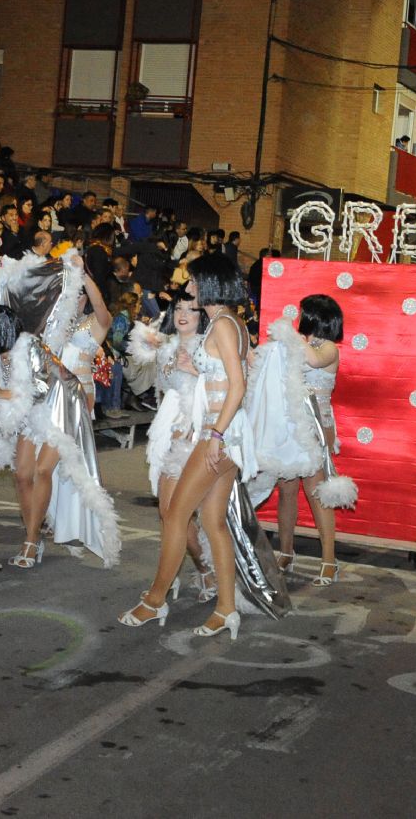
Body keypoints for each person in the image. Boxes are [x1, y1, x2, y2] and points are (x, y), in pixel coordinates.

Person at [121, 253, 255, 639]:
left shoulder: (225, 325)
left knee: (177, 516)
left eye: (195, 280)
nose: (190, 285)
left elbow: (238, 386)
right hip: (228, 434)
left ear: (210, 282)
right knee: (212, 524)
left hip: (219, 435)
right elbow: (226, 375)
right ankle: (227, 609)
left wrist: (214, 435)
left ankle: (155, 601)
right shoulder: (228, 323)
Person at [0, 251, 120, 570]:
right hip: (36, 399)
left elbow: (102, 311)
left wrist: (82, 275)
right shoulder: (45, 330)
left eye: (74, 295)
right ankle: (38, 526)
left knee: (43, 470)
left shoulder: (93, 326)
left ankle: (31, 541)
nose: (69, 299)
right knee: (22, 474)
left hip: (68, 401)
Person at [249, 294, 357, 587]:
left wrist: (288, 336)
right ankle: (286, 551)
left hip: (316, 426)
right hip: (292, 423)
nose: (299, 317)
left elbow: (311, 358)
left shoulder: (328, 348)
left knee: (316, 492)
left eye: (303, 313)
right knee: (286, 489)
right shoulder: (301, 343)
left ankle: (329, 561)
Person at [126, 292, 216, 599]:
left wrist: (197, 370)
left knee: (177, 513)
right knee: (169, 514)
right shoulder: (167, 347)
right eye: (178, 308)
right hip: (165, 431)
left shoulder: (208, 347)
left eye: (191, 309)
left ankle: (201, 571)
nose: (183, 314)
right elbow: (151, 377)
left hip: (193, 433)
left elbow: (225, 385)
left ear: (201, 315)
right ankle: (186, 569)